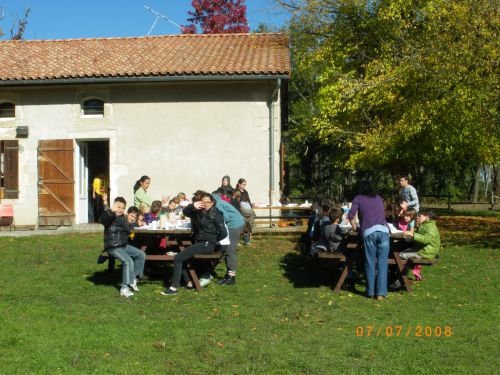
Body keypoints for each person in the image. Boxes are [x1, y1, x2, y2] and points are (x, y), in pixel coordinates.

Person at [161, 192, 227, 296]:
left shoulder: (217, 214)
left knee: (178, 258)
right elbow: (185, 212)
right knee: (182, 257)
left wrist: (212, 240)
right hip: (199, 242)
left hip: (207, 244)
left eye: (208, 202)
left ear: (212, 203)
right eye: (203, 202)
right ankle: (189, 282)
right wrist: (192, 205)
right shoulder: (198, 212)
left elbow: (224, 233)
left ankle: (174, 287)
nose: (205, 204)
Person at [348, 181, 390, 301]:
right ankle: (381, 294)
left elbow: (351, 216)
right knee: (382, 263)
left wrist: (356, 228)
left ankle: (370, 292)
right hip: (383, 231)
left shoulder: (358, 198)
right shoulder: (378, 198)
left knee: (370, 262)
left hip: (369, 232)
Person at [100, 194, 146, 298]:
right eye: (118, 207)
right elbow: (104, 219)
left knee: (141, 254)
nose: (120, 210)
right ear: (114, 206)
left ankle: (133, 279)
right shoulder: (109, 216)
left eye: (122, 208)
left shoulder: (122, 218)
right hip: (113, 246)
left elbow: (128, 229)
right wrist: (109, 208)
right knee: (128, 261)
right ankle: (124, 288)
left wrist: (138, 224)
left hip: (123, 245)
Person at [212, 193, 245, 285]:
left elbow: (226, 217)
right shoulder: (219, 201)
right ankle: (228, 275)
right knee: (227, 249)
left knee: (230, 250)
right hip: (235, 223)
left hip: (234, 225)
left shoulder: (217, 204)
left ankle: (231, 278)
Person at [235, 178, 256, 245]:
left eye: (245, 185)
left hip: (246, 208)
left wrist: (250, 205)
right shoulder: (236, 191)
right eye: (243, 184)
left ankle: (246, 240)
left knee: (251, 216)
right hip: (240, 210)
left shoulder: (245, 192)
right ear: (239, 184)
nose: (244, 186)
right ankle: (238, 241)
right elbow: (236, 201)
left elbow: (248, 200)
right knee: (244, 221)